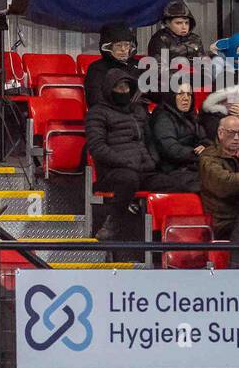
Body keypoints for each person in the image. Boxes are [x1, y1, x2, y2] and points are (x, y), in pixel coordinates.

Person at [86, 68, 199, 241]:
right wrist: (124, 162)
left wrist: (153, 160)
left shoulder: (138, 110)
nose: (123, 91)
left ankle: (171, 236)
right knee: (128, 179)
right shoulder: (97, 113)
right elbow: (97, 147)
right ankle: (112, 224)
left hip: (144, 170)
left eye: (126, 87)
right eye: (119, 87)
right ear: (109, 89)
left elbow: (150, 140)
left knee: (174, 185)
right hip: (113, 172)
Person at [148, 83, 208, 177]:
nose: (186, 98)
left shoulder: (190, 116)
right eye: (180, 94)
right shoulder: (162, 118)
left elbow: (204, 139)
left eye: (189, 94)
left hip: (191, 164)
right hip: (171, 170)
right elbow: (171, 150)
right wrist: (198, 155)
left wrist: (205, 147)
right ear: (171, 96)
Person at [84, 22, 146, 108]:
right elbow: (95, 99)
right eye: (118, 45)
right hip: (109, 115)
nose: (123, 49)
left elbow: (156, 96)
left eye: (127, 45)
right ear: (108, 47)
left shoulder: (139, 65)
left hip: (138, 116)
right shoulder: (96, 68)